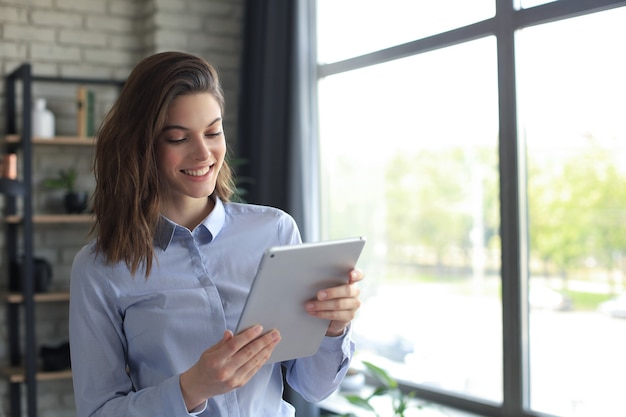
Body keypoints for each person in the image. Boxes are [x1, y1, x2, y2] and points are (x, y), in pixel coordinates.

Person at [68, 51, 364, 417]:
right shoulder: (100, 268)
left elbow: (312, 386)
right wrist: (191, 388)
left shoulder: (275, 231)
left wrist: (334, 328)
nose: (204, 153)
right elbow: (98, 411)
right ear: (142, 147)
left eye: (213, 131)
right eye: (178, 138)